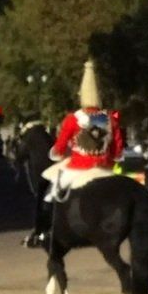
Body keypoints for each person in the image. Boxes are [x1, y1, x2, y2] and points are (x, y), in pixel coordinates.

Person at [43, 59, 122, 201]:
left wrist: (55, 154)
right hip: (106, 168)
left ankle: (50, 218)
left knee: (52, 194)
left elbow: (59, 148)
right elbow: (117, 152)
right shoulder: (110, 119)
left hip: (79, 167)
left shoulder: (73, 119)